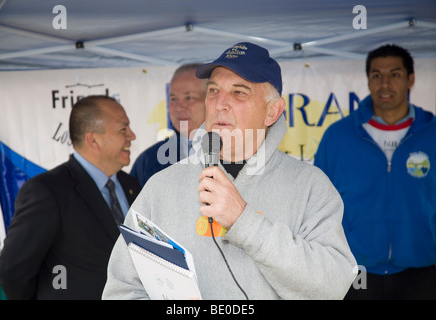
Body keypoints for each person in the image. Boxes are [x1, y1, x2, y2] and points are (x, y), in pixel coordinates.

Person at [102, 42, 357, 300]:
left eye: (239, 93)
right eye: (213, 91)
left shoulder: (310, 186)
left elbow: (332, 286)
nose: (220, 104)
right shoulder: (161, 187)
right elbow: (123, 289)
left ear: (272, 111)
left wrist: (244, 222)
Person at [314, 44, 436, 299]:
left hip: (424, 270)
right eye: (377, 75)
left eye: (395, 74)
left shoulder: (432, 134)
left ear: (410, 79)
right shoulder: (338, 137)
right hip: (354, 272)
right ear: (368, 80)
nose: (385, 84)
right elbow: (316, 203)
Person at [0, 95, 141, 299]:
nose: (132, 136)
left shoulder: (131, 186)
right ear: (93, 140)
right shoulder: (47, 191)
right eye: (123, 129)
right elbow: (13, 271)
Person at [130, 63, 207, 187]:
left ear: (212, 99)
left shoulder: (238, 152)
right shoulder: (150, 160)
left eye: (189, 97)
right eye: (173, 99)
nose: (179, 107)